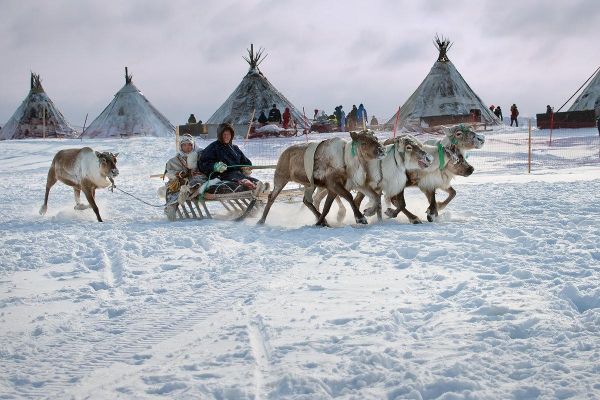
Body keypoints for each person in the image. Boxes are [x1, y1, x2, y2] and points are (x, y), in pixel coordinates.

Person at [199, 123, 262, 191]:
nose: (226, 136)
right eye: (224, 134)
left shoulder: (235, 148)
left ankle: (260, 187)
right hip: (221, 175)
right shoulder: (213, 147)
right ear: (220, 135)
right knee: (239, 182)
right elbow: (203, 163)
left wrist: (247, 167)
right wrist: (215, 166)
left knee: (257, 182)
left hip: (238, 174)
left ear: (231, 135)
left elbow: (245, 162)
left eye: (228, 134)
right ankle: (249, 186)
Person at [164, 134, 207, 220]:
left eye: (190, 144)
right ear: (181, 146)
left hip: (198, 180)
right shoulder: (174, 160)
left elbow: (206, 167)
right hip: (181, 183)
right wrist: (178, 174)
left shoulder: (200, 156)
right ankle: (171, 208)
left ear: (193, 145)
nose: (187, 147)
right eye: (184, 145)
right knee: (173, 189)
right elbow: (169, 172)